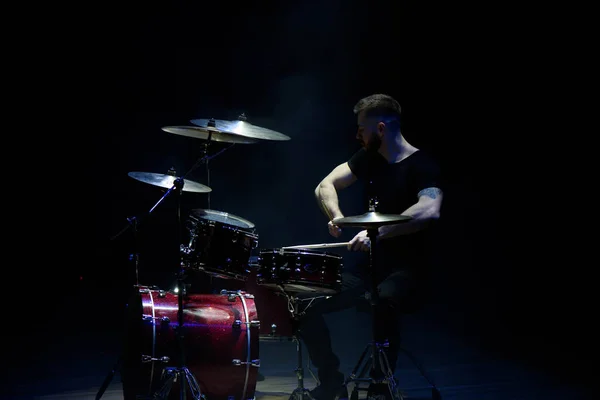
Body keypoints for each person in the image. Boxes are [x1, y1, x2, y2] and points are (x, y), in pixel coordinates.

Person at [298, 93, 444, 400]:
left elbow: (429, 210)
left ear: (380, 128)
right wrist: (338, 218)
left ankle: (381, 386)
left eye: (361, 129)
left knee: (384, 302)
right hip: (367, 269)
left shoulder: (422, 165)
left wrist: (376, 233)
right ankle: (331, 381)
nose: (356, 135)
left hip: (406, 271)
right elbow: (325, 185)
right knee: (304, 305)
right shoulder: (369, 158)